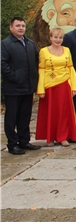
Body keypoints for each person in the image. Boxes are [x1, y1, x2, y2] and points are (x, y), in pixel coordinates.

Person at [1, 17, 41, 155]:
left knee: (25, 116)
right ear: (11, 27)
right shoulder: (5, 44)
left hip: (28, 87)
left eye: (23, 26)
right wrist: (16, 77)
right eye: (17, 25)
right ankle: (12, 144)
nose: (21, 28)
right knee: (12, 117)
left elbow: (36, 62)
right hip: (13, 88)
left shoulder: (30, 43)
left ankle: (24, 141)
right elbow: (3, 64)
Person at [36, 27, 76, 147]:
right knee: (50, 112)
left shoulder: (66, 50)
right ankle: (50, 137)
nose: (58, 40)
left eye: (60, 37)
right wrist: (40, 89)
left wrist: (74, 87)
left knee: (63, 112)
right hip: (49, 86)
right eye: (55, 37)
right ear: (50, 38)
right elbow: (41, 70)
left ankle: (63, 136)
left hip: (64, 85)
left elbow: (71, 68)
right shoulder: (44, 51)